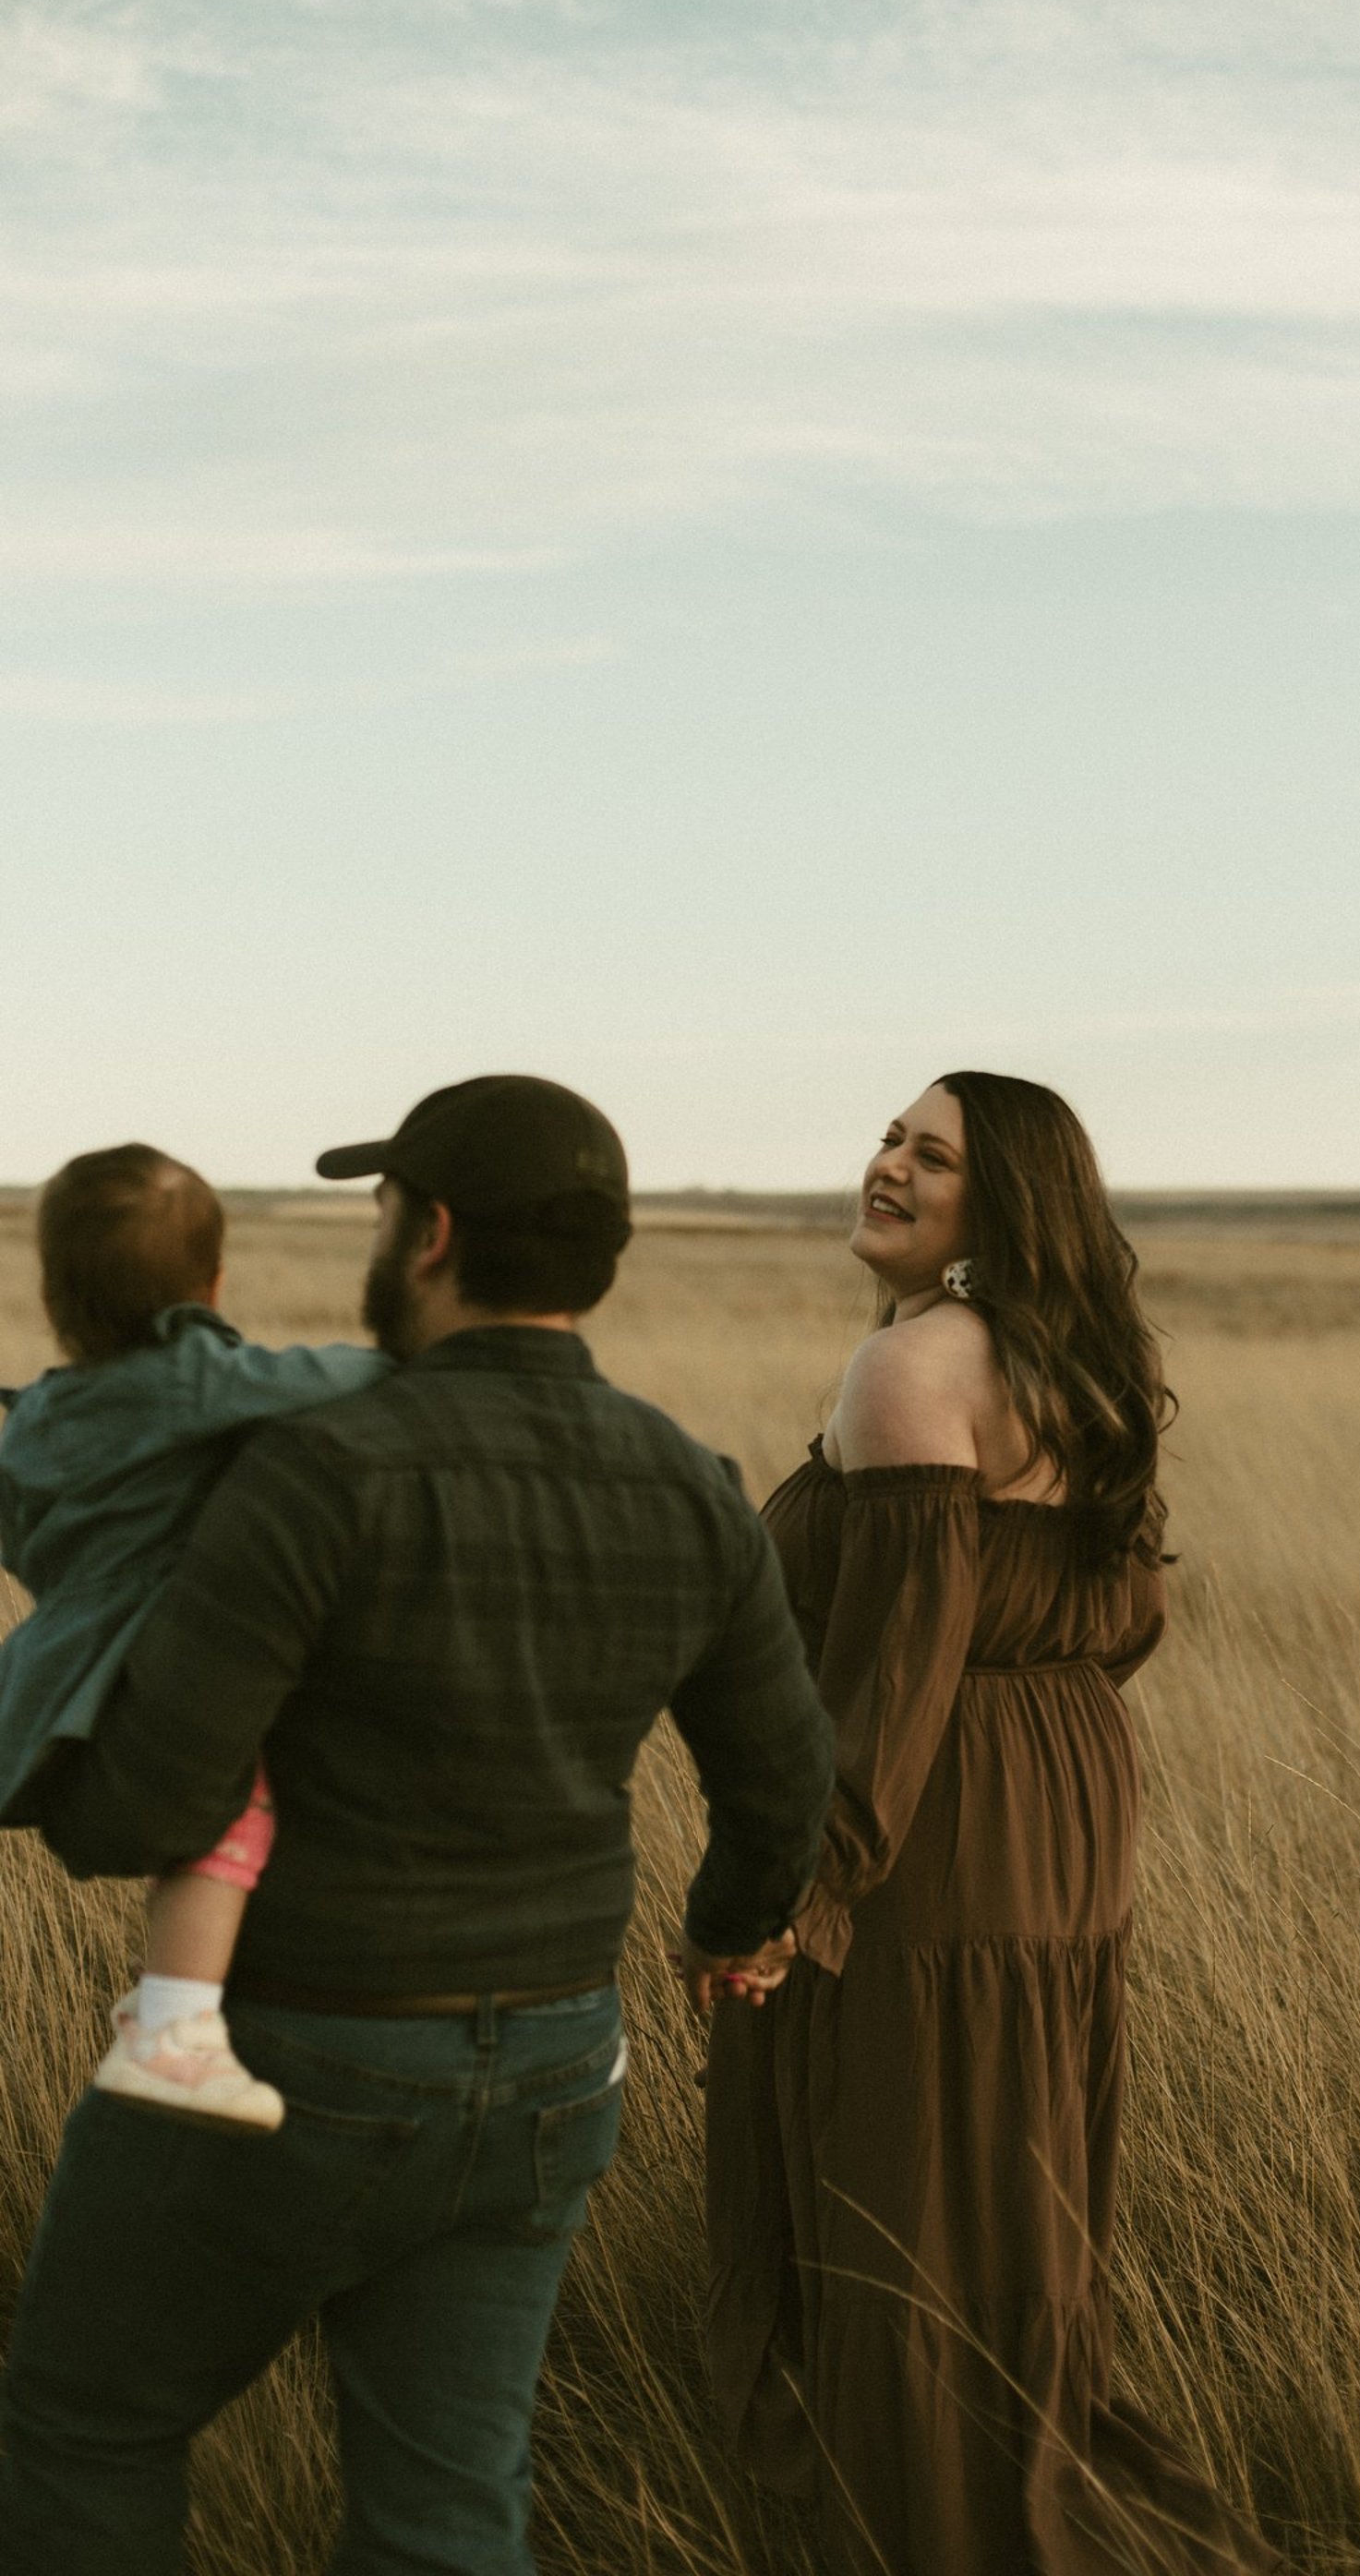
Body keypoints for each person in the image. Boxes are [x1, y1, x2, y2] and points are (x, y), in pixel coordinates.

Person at [0, 1074, 835, 2576]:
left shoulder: (316, 1472)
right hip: (557, 2073)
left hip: (292, 2054)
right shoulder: (692, 1486)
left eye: (385, 1212)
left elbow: (150, 1807)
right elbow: (786, 1785)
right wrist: (726, 1929)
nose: (381, 1239)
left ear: (431, 1233)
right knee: (448, 2508)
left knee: (85, 2428)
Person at [704, 1071, 1276, 2576]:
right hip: (1070, 1803)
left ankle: (939, 2537)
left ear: (1001, 1202)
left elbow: (893, 1678)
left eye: (932, 1156)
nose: (887, 1164)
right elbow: (1125, 1619)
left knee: (898, 2208)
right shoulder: (1078, 1368)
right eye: (893, 1136)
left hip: (940, 1834)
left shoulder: (912, 1374)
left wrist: (799, 1900)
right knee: (1014, 2212)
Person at [0, 1142, 390, 2132]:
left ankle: (165, 1999)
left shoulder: (38, 1414)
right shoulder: (190, 1383)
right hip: (146, 1652)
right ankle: (171, 2033)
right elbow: (327, 1377)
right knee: (232, 1812)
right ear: (211, 1282)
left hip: (60, 1657)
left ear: (52, 1295)